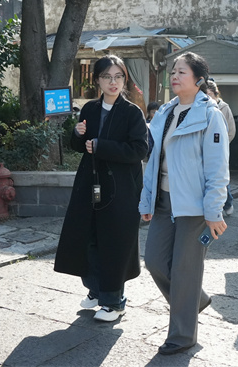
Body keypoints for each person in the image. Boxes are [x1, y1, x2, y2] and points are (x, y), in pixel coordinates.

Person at [140, 52, 229, 355]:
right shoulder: (165, 112)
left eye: (182, 72)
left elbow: (217, 169)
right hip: (164, 202)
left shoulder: (210, 115)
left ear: (199, 79)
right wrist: (147, 199)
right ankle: (195, 300)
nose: (174, 76)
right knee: (154, 261)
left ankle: (182, 336)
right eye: (173, 71)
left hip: (194, 207)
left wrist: (214, 211)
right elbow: (153, 160)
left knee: (185, 270)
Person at [54, 55, 148, 321]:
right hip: (90, 184)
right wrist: (77, 134)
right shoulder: (90, 109)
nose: (113, 82)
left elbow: (139, 150)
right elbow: (79, 147)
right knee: (89, 237)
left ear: (124, 80)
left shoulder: (132, 112)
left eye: (118, 76)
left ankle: (114, 302)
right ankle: (95, 290)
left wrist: (101, 146)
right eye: (107, 76)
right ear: (97, 80)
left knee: (115, 243)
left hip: (120, 188)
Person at [206, 79, 237, 216]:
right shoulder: (202, 107)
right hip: (205, 149)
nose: (207, 98)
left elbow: (231, 130)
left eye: (209, 94)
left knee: (221, 177)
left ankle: (227, 203)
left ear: (215, 93)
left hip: (220, 149)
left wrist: (222, 145)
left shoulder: (224, 107)